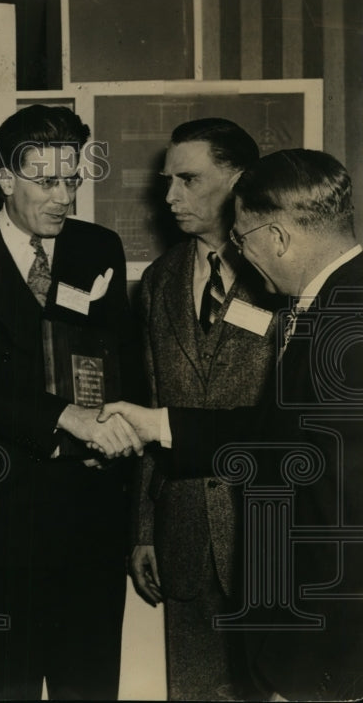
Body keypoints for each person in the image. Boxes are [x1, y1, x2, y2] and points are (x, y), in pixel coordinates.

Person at [102, 148, 363, 701]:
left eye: (242, 240)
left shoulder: (347, 320)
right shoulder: (336, 301)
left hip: (331, 636)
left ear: (278, 237)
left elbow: (338, 502)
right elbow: (280, 434)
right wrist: (161, 424)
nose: (240, 255)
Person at [0, 104, 144, 700]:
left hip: (91, 517)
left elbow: (122, 364)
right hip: (0, 519)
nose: (64, 197)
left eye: (72, 180)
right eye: (46, 182)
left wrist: (117, 432)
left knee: (90, 686)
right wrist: (67, 418)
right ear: (5, 179)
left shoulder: (99, 247)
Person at [131, 118, 280, 699]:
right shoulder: (159, 280)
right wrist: (144, 529)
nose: (171, 196)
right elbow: (153, 408)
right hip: (184, 530)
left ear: (238, 180)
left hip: (265, 531)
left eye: (188, 179)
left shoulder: (280, 275)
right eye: (168, 181)